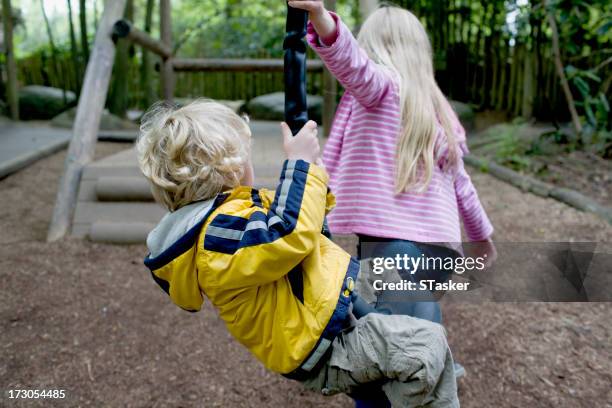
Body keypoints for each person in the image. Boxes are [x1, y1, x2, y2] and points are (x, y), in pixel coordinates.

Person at [136, 100, 459, 407]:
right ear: (229, 171)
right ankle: (416, 379)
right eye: (245, 156)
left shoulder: (234, 214)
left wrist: (314, 179)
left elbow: (308, 226)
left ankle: (417, 374)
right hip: (327, 346)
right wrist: (300, 166)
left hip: (330, 304)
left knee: (404, 280)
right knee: (424, 349)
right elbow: (288, 233)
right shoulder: (217, 239)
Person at [288, 1, 497, 405]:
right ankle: (433, 365)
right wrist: (482, 237)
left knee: (381, 349)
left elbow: (350, 62)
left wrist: (318, 16)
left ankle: (407, 389)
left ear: (374, 48)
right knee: (409, 327)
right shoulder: (441, 113)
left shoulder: (379, 89)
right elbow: (463, 186)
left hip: (392, 250)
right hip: (439, 255)